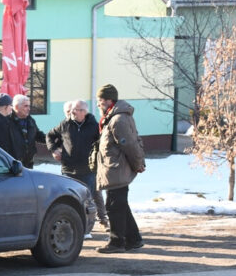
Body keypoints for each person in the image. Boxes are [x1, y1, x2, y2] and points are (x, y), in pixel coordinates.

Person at [94, 84, 146, 254]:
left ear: (109, 100)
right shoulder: (114, 117)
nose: (98, 104)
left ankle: (117, 242)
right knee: (120, 204)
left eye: (100, 100)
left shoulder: (118, 119)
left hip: (117, 168)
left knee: (114, 206)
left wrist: (138, 164)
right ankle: (134, 239)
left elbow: (129, 144)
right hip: (115, 167)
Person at [47, 99, 109, 230]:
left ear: (84, 112)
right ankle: (74, 226)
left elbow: (103, 144)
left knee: (88, 200)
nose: (73, 112)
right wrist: (54, 150)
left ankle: (88, 228)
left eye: (76, 110)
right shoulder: (65, 124)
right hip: (68, 169)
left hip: (88, 170)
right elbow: (50, 136)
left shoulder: (94, 126)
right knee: (69, 199)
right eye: (72, 110)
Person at [8, 94, 46, 168]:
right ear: (16, 107)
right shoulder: (8, 121)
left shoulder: (30, 120)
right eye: (26, 106)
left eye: (29, 106)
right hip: (13, 163)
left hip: (28, 162)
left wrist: (52, 140)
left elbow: (38, 135)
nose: (29, 109)